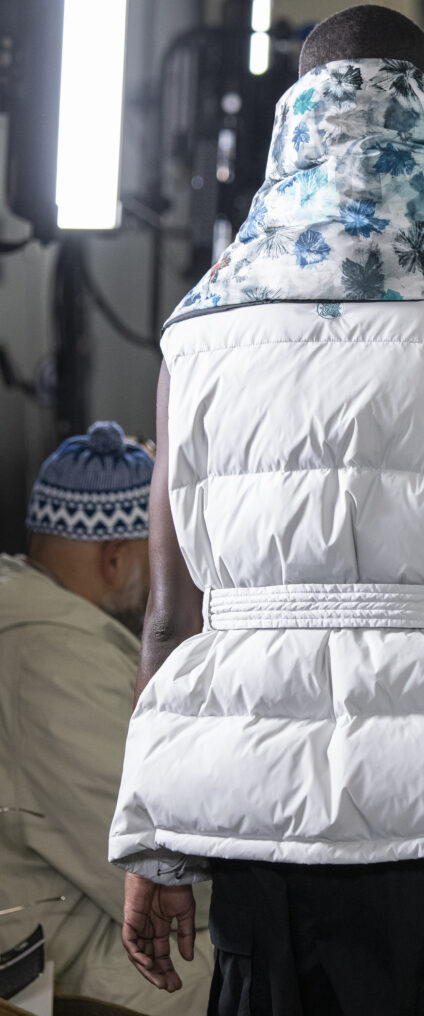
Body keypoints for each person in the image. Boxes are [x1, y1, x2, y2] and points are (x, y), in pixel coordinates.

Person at [109, 7, 424, 1015]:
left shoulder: (201, 326)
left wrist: (152, 836)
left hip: (245, 803)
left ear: (295, 122)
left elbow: (169, 615)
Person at [0, 421, 213, 1014]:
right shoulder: (53, 659)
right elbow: (146, 864)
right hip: (58, 969)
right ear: (116, 559)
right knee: (270, 961)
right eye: (164, 564)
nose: (175, 587)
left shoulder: (37, 621)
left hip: (64, 927)